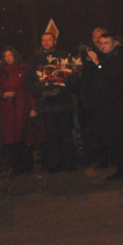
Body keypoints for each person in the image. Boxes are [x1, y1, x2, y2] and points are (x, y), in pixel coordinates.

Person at [84, 31, 123, 179]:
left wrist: (98, 64)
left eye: (106, 43)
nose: (103, 47)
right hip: (106, 105)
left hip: (120, 105)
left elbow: (112, 75)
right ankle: (121, 168)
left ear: (114, 44)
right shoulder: (102, 57)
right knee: (113, 138)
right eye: (101, 44)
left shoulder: (121, 56)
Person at [27, 32, 80, 173]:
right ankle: (54, 164)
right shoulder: (35, 59)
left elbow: (73, 78)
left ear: (55, 41)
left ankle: (69, 163)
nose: (46, 43)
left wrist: (61, 88)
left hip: (63, 103)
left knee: (66, 134)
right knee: (50, 136)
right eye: (43, 40)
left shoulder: (64, 57)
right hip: (46, 105)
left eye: (49, 40)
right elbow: (29, 81)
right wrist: (42, 92)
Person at [0, 47, 35, 174]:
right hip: (8, 107)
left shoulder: (23, 69)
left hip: (22, 106)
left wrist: (33, 108)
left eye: (10, 55)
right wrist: (4, 94)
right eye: (6, 56)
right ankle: (16, 166)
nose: (8, 58)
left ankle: (27, 165)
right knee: (10, 137)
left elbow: (29, 89)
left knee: (23, 134)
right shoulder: (0, 72)